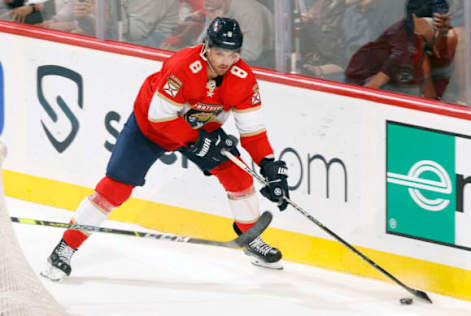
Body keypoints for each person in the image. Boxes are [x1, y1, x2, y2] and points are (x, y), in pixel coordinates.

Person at [40, 17, 290, 282]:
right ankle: (65, 247)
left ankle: (251, 238)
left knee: (238, 176)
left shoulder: (243, 79)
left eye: (232, 54)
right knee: (115, 188)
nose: (225, 61)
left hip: (197, 129)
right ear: (206, 47)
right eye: (219, 53)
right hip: (150, 128)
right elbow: (160, 118)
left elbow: (253, 132)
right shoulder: (183, 66)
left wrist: (270, 167)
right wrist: (198, 141)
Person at [345, 0, 457, 100]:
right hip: (362, 82)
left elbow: (432, 88)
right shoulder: (403, 46)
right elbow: (370, 88)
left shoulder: (444, 37)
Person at [197, 0, 274, 68]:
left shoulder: (248, 11)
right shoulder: (214, 7)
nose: (205, 2)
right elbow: (200, 46)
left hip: (265, 61)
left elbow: (251, 53)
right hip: (233, 55)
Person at [74, 0, 180, 47]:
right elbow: (101, 32)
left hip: (155, 44)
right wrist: (84, 17)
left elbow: (134, 34)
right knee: (76, 35)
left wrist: (103, 13)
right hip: (120, 37)